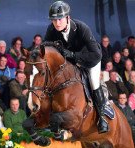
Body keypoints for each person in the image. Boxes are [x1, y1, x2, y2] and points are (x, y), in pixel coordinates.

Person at [45, 1, 112, 133]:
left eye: (60, 19)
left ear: (68, 18)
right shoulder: (51, 29)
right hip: (69, 63)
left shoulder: (82, 28)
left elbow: (96, 55)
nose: (57, 23)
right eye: (54, 20)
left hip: (89, 60)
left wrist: (73, 55)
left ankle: (102, 118)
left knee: (93, 83)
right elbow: (45, 48)